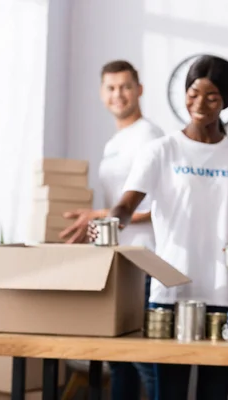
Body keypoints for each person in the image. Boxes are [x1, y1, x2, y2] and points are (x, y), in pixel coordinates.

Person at [91, 54, 228, 400]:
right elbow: (126, 205)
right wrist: (110, 221)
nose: (200, 104)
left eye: (212, 97)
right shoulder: (161, 151)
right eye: (193, 94)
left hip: (223, 295)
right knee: (168, 393)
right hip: (170, 292)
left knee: (215, 394)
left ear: (225, 101)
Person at [60, 60, 163, 400]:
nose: (118, 94)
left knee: (144, 358)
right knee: (118, 359)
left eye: (125, 86)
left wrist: (97, 216)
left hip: (143, 262)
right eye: (111, 87)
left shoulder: (149, 137)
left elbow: (154, 208)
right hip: (117, 259)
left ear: (140, 89)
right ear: (102, 93)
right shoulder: (116, 141)